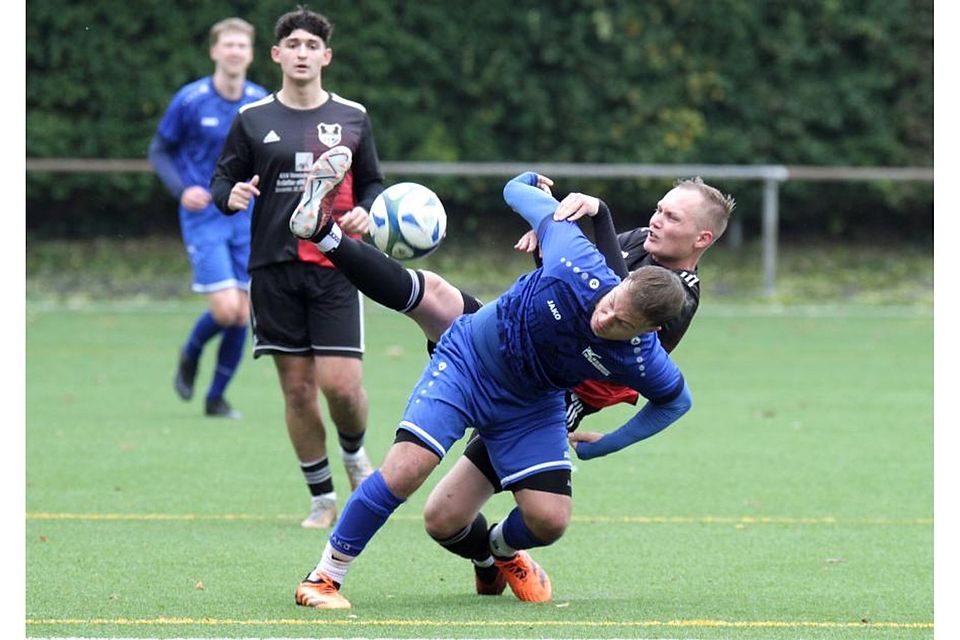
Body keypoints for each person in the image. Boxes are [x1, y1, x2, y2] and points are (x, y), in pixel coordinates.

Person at [290, 164, 733, 597]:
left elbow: (610, 294)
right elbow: (578, 270)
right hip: (497, 344)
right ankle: (324, 233)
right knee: (433, 297)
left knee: (453, 519)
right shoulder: (628, 252)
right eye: (660, 208)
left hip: (553, 399)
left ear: (702, 238)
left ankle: (498, 552)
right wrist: (549, 229)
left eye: (672, 217)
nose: (657, 219)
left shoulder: (674, 302)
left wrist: (596, 214)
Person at [210, 7, 384, 529]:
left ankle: (354, 453)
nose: (303, 53)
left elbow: (373, 182)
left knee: (341, 386)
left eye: (313, 46)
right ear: (277, 54)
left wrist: (366, 210)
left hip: (335, 265)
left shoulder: (353, 116)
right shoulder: (253, 119)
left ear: (325, 56)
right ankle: (321, 498)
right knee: (298, 390)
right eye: (294, 45)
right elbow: (222, 182)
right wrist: (231, 195)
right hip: (273, 268)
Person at [149, 17, 268, 419]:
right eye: (228, 45)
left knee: (245, 311)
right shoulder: (190, 100)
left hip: (246, 217)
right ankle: (191, 352)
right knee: (225, 310)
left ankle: (216, 397)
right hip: (204, 216)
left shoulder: (260, 102)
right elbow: (160, 150)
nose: (235, 51)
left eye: (241, 46)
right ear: (215, 51)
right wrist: (183, 189)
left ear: (251, 55)